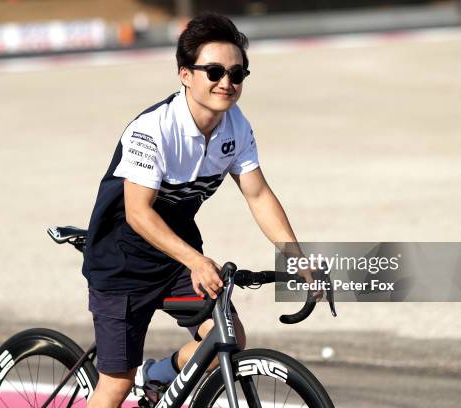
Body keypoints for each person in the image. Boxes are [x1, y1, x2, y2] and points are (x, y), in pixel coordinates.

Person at [82, 12, 314, 408]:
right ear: (185, 74)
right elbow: (138, 213)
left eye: (237, 73)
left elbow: (258, 195)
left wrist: (296, 257)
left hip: (175, 255)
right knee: (117, 384)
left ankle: (157, 376)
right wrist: (196, 260)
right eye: (214, 71)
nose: (226, 82)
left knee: (227, 338)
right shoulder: (153, 129)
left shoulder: (235, 126)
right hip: (121, 259)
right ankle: (135, 380)